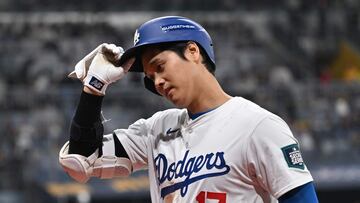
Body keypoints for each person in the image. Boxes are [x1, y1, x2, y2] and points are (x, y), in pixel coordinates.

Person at [59, 16, 318, 203]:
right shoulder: (156, 130)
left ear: (193, 51)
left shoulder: (258, 126)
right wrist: (94, 87)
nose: (157, 82)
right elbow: (80, 160)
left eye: (160, 67)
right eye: (150, 77)